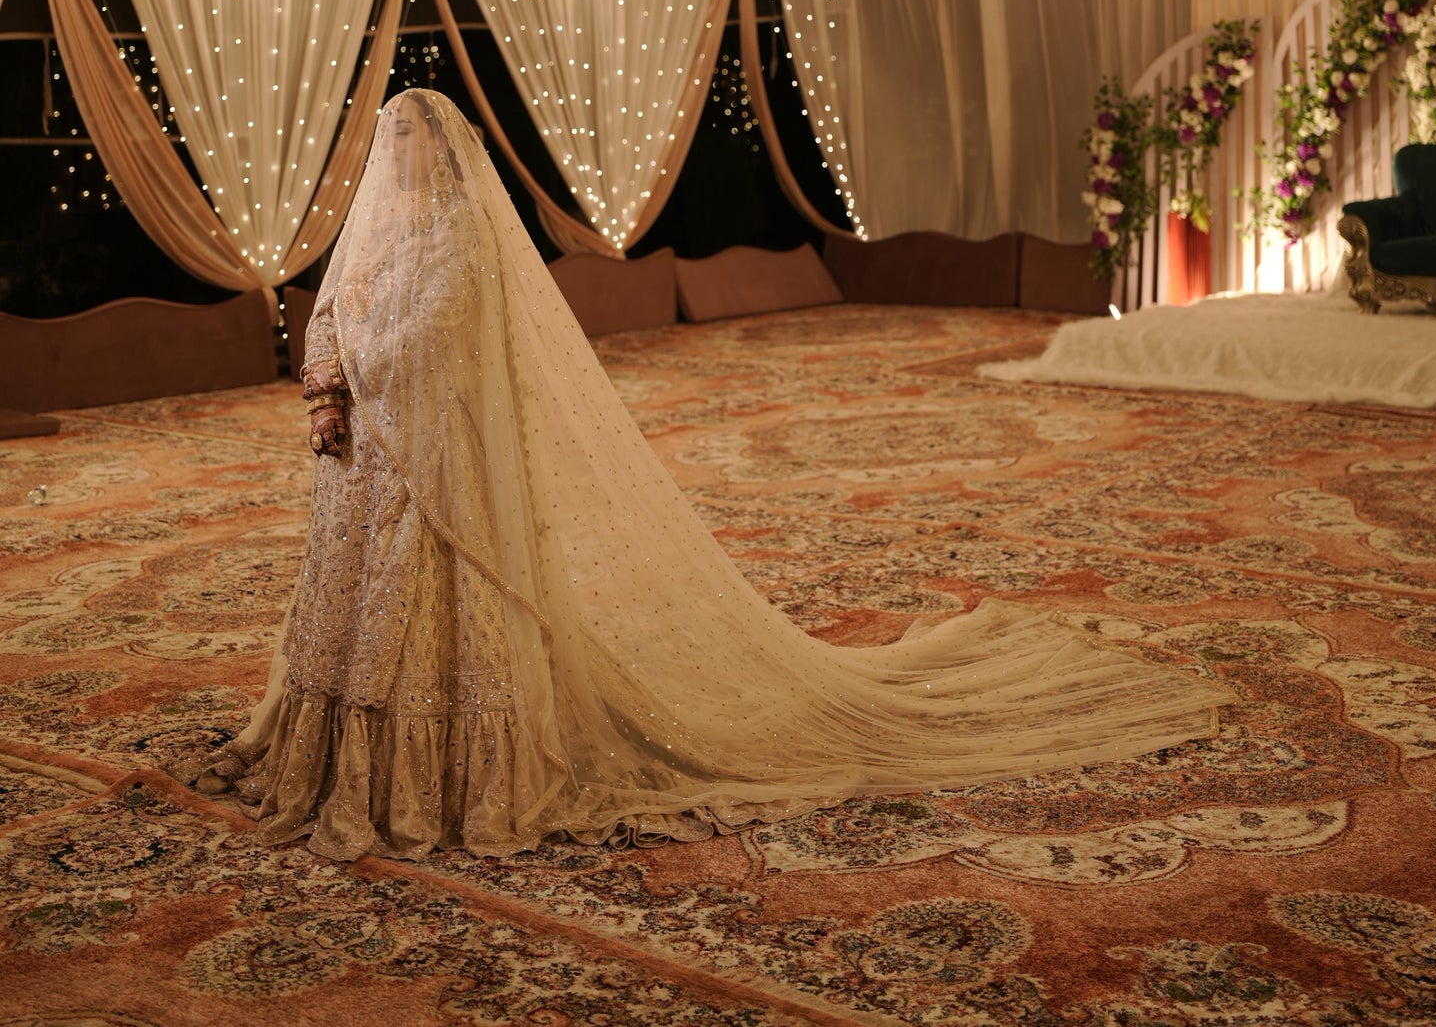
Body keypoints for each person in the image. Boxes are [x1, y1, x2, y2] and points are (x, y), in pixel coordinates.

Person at [194, 88, 1217, 860]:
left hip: (438, 464)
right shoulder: (370, 230)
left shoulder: (465, 234)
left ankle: (449, 773)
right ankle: (334, 756)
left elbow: (438, 335)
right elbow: (329, 313)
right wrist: (326, 386)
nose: (406, 156)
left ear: (451, 155)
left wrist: (363, 372)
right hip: (362, 464)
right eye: (395, 142)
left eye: (420, 141)